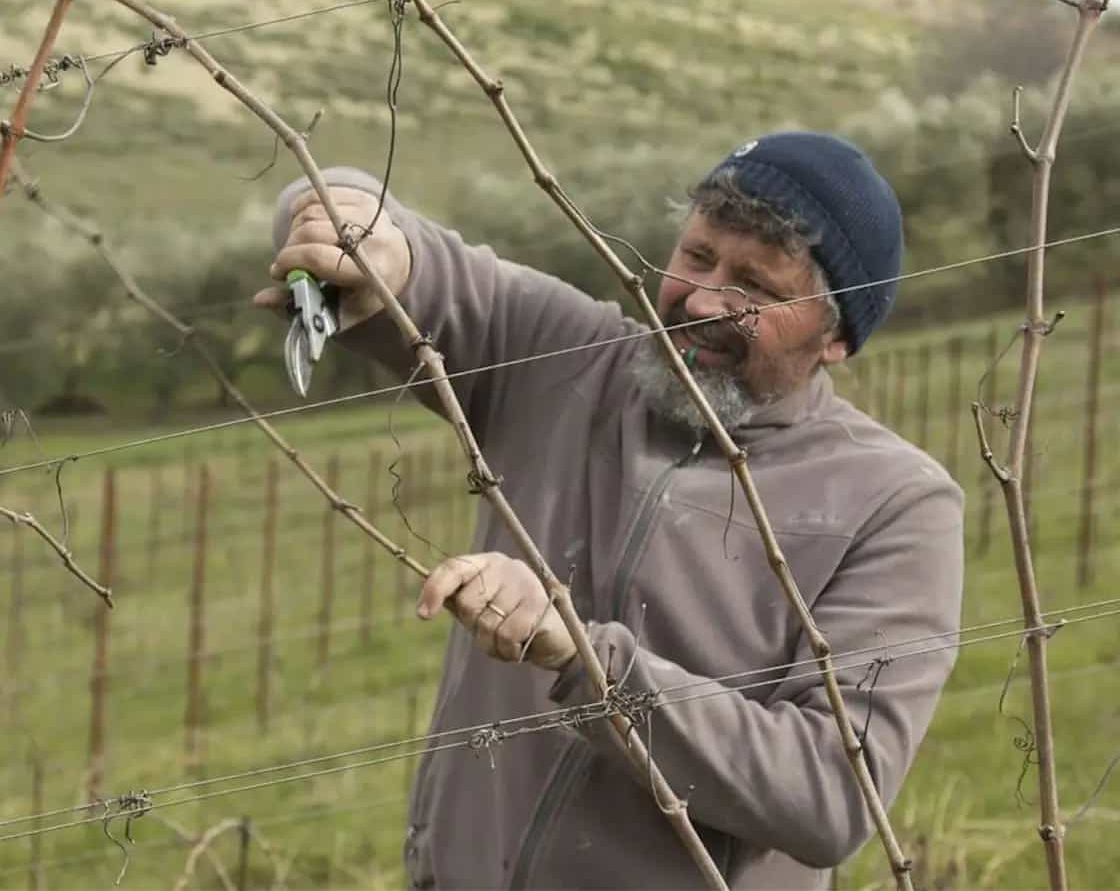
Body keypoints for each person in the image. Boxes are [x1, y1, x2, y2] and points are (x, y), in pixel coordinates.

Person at [256, 132, 964, 890]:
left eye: (755, 287)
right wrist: (358, 232)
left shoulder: (895, 506)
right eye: (696, 257)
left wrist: (587, 661)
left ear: (835, 338)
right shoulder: (569, 357)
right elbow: (368, 216)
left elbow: (830, 798)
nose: (702, 300)